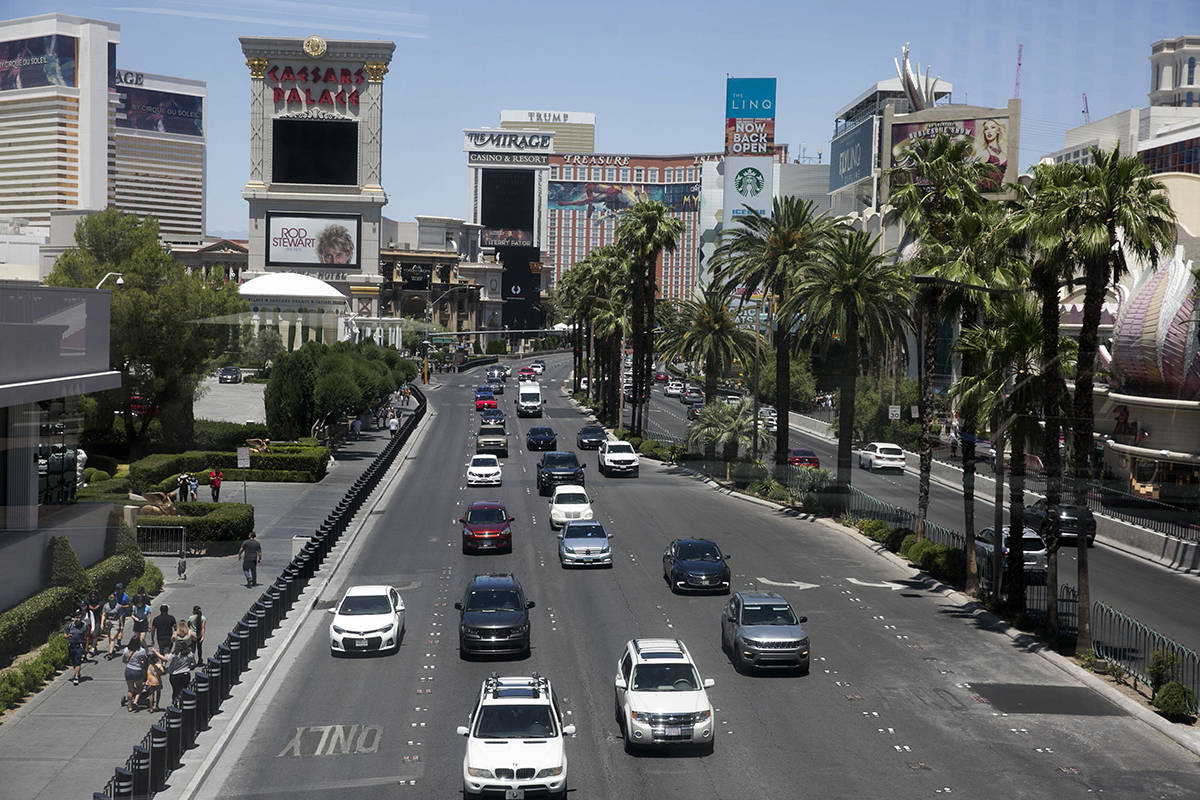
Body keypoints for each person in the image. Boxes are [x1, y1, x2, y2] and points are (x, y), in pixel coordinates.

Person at [122, 638, 150, 711]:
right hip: (138, 670)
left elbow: (124, 660)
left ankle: (130, 706)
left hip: (128, 670)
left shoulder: (126, 650)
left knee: (130, 690)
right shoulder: (141, 651)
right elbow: (144, 660)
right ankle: (135, 701)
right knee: (139, 688)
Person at [166, 636, 195, 707]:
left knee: (175, 691)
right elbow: (193, 663)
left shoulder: (175, 655)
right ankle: (182, 703)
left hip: (175, 675)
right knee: (184, 690)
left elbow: (166, 658)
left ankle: (175, 704)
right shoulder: (190, 654)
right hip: (185, 674)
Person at [64, 614, 87, 685]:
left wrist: (86, 648)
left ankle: (76, 677)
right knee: (73, 661)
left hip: (79, 646)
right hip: (71, 646)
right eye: (77, 618)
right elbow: (65, 635)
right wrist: (68, 636)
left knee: (78, 661)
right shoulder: (69, 626)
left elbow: (86, 637)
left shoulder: (83, 626)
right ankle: (77, 672)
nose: (78, 619)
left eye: (79, 618)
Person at [100, 592, 122, 659]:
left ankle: (110, 653)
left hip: (115, 622)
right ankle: (111, 649)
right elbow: (103, 615)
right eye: (110, 597)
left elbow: (120, 616)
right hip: (108, 622)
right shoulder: (106, 606)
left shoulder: (118, 606)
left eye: (112, 597)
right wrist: (102, 623)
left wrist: (121, 625)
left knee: (112, 637)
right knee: (110, 637)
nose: (111, 598)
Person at [83, 591, 102, 657]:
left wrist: (97, 606)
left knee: (95, 635)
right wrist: (89, 605)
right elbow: (84, 602)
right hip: (89, 621)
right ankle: (94, 648)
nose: (93, 598)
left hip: (97, 620)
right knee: (89, 636)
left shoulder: (99, 602)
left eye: (94, 596)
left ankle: (93, 649)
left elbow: (101, 605)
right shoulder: (88, 602)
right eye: (92, 596)